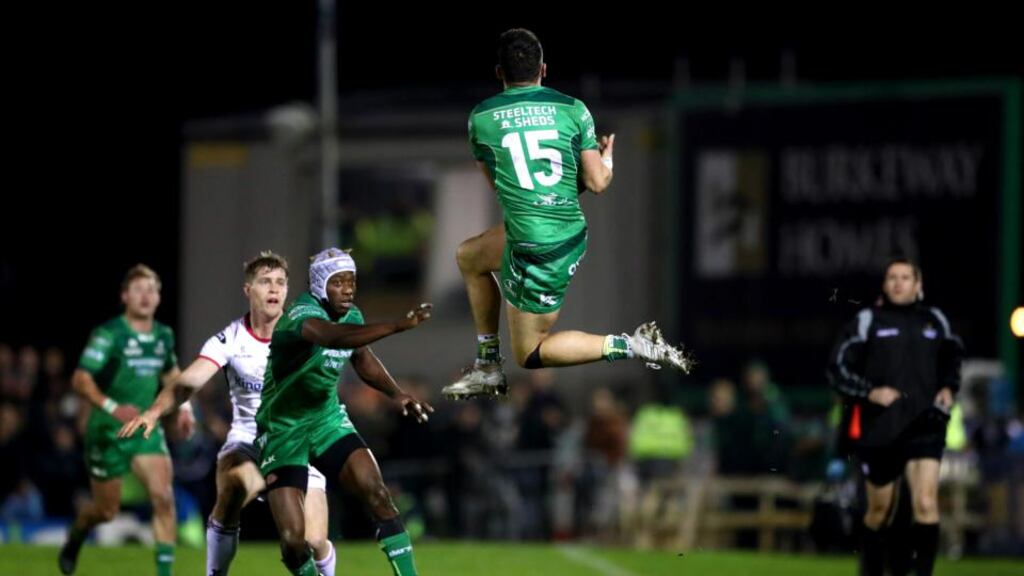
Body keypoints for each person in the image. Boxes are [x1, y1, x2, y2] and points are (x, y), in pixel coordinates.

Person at [444, 28, 690, 401]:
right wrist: (607, 156)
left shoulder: (481, 118)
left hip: (536, 248)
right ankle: (487, 365)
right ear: (544, 68)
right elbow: (598, 182)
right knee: (470, 255)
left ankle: (632, 345)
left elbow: (503, 189)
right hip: (557, 232)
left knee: (529, 353)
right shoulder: (573, 109)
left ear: (499, 73)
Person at [119, 251, 336, 576]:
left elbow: (343, 360)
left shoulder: (305, 332)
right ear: (248, 290)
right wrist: (153, 412)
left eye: (280, 282)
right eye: (265, 282)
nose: (274, 289)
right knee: (234, 485)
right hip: (248, 440)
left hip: (293, 442)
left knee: (314, 539)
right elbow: (186, 383)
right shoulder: (230, 339)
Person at [256, 248, 432, 576]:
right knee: (295, 540)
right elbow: (332, 338)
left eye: (352, 281)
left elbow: (362, 358)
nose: (349, 288)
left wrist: (398, 394)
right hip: (283, 428)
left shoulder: (352, 316)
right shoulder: (299, 314)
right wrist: (395, 326)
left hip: (326, 420)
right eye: (339, 282)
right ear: (321, 285)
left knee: (377, 492)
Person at [828, 257, 964, 576]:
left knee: (926, 503)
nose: (898, 282)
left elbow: (953, 358)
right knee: (878, 511)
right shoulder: (867, 320)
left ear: (919, 285)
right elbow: (837, 368)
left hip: (924, 425)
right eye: (892, 277)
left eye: (906, 277)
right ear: (884, 284)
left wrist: (948, 387)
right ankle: (872, 569)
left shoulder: (934, 321)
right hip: (882, 429)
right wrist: (869, 392)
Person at [59, 264, 192, 576]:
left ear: (159, 297)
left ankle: (164, 573)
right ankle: (76, 534)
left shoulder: (163, 336)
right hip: (107, 430)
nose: (146, 296)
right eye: (138, 289)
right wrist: (111, 406)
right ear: (124, 296)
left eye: (152, 289)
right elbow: (80, 379)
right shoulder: (109, 334)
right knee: (106, 511)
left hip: (145, 428)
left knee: (163, 497)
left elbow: (172, 374)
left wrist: (185, 408)